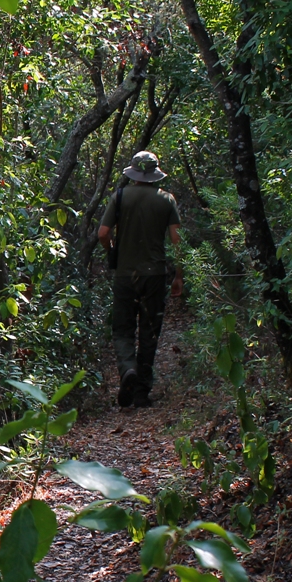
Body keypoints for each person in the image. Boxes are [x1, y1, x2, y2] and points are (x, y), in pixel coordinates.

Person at [98, 151, 183, 409]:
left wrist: (112, 250)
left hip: (125, 275)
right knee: (150, 332)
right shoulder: (166, 200)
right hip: (155, 276)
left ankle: (128, 370)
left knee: (122, 329)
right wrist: (178, 275)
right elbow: (177, 241)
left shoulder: (120, 197)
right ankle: (141, 392)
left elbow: (103, 233)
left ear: (134, 172)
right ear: (155, 174)